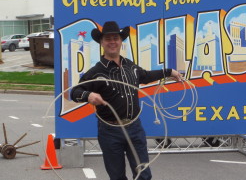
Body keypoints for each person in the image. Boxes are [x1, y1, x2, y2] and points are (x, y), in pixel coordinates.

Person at [71, 21, 182, 180]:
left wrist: (169, 71)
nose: (112, 42)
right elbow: (75, 92)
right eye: (108, 39)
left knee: (143, 174)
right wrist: (88, 96)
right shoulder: (96, 72)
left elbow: (146, 76)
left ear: (120, 41)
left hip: (134, 128)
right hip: (110, 131)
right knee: (117, 177)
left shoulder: (130, 66)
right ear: (101, 42)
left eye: (115, 38)